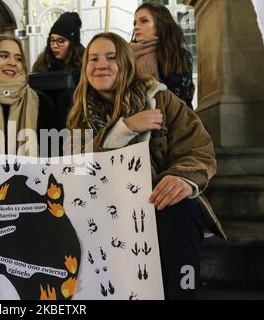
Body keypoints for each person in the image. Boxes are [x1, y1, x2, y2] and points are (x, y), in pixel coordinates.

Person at [66, 32, 219, 299]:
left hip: (155, 204)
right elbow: (74, 167)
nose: (101, 64)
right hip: (105, 208)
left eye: (111, 58)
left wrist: (181, 178)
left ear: (125, 62)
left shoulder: (161, 100)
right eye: (93, 58)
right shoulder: (78, 117)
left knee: (181, 210)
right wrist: (125, 128)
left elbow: (198, 148)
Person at [130, 2, 195, 108]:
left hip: (172, 119)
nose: (136, 27)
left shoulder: (178, 55)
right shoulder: (126, 55)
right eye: (135, 23)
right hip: (133, 119)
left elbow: (179, 99)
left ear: (160, 24)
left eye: (144, 21)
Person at [32, 12, 85, 84]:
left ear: (73, 44)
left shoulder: (85, 66)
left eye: (60, 41)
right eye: (52, 40)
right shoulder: (42, 64)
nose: (54, 45)